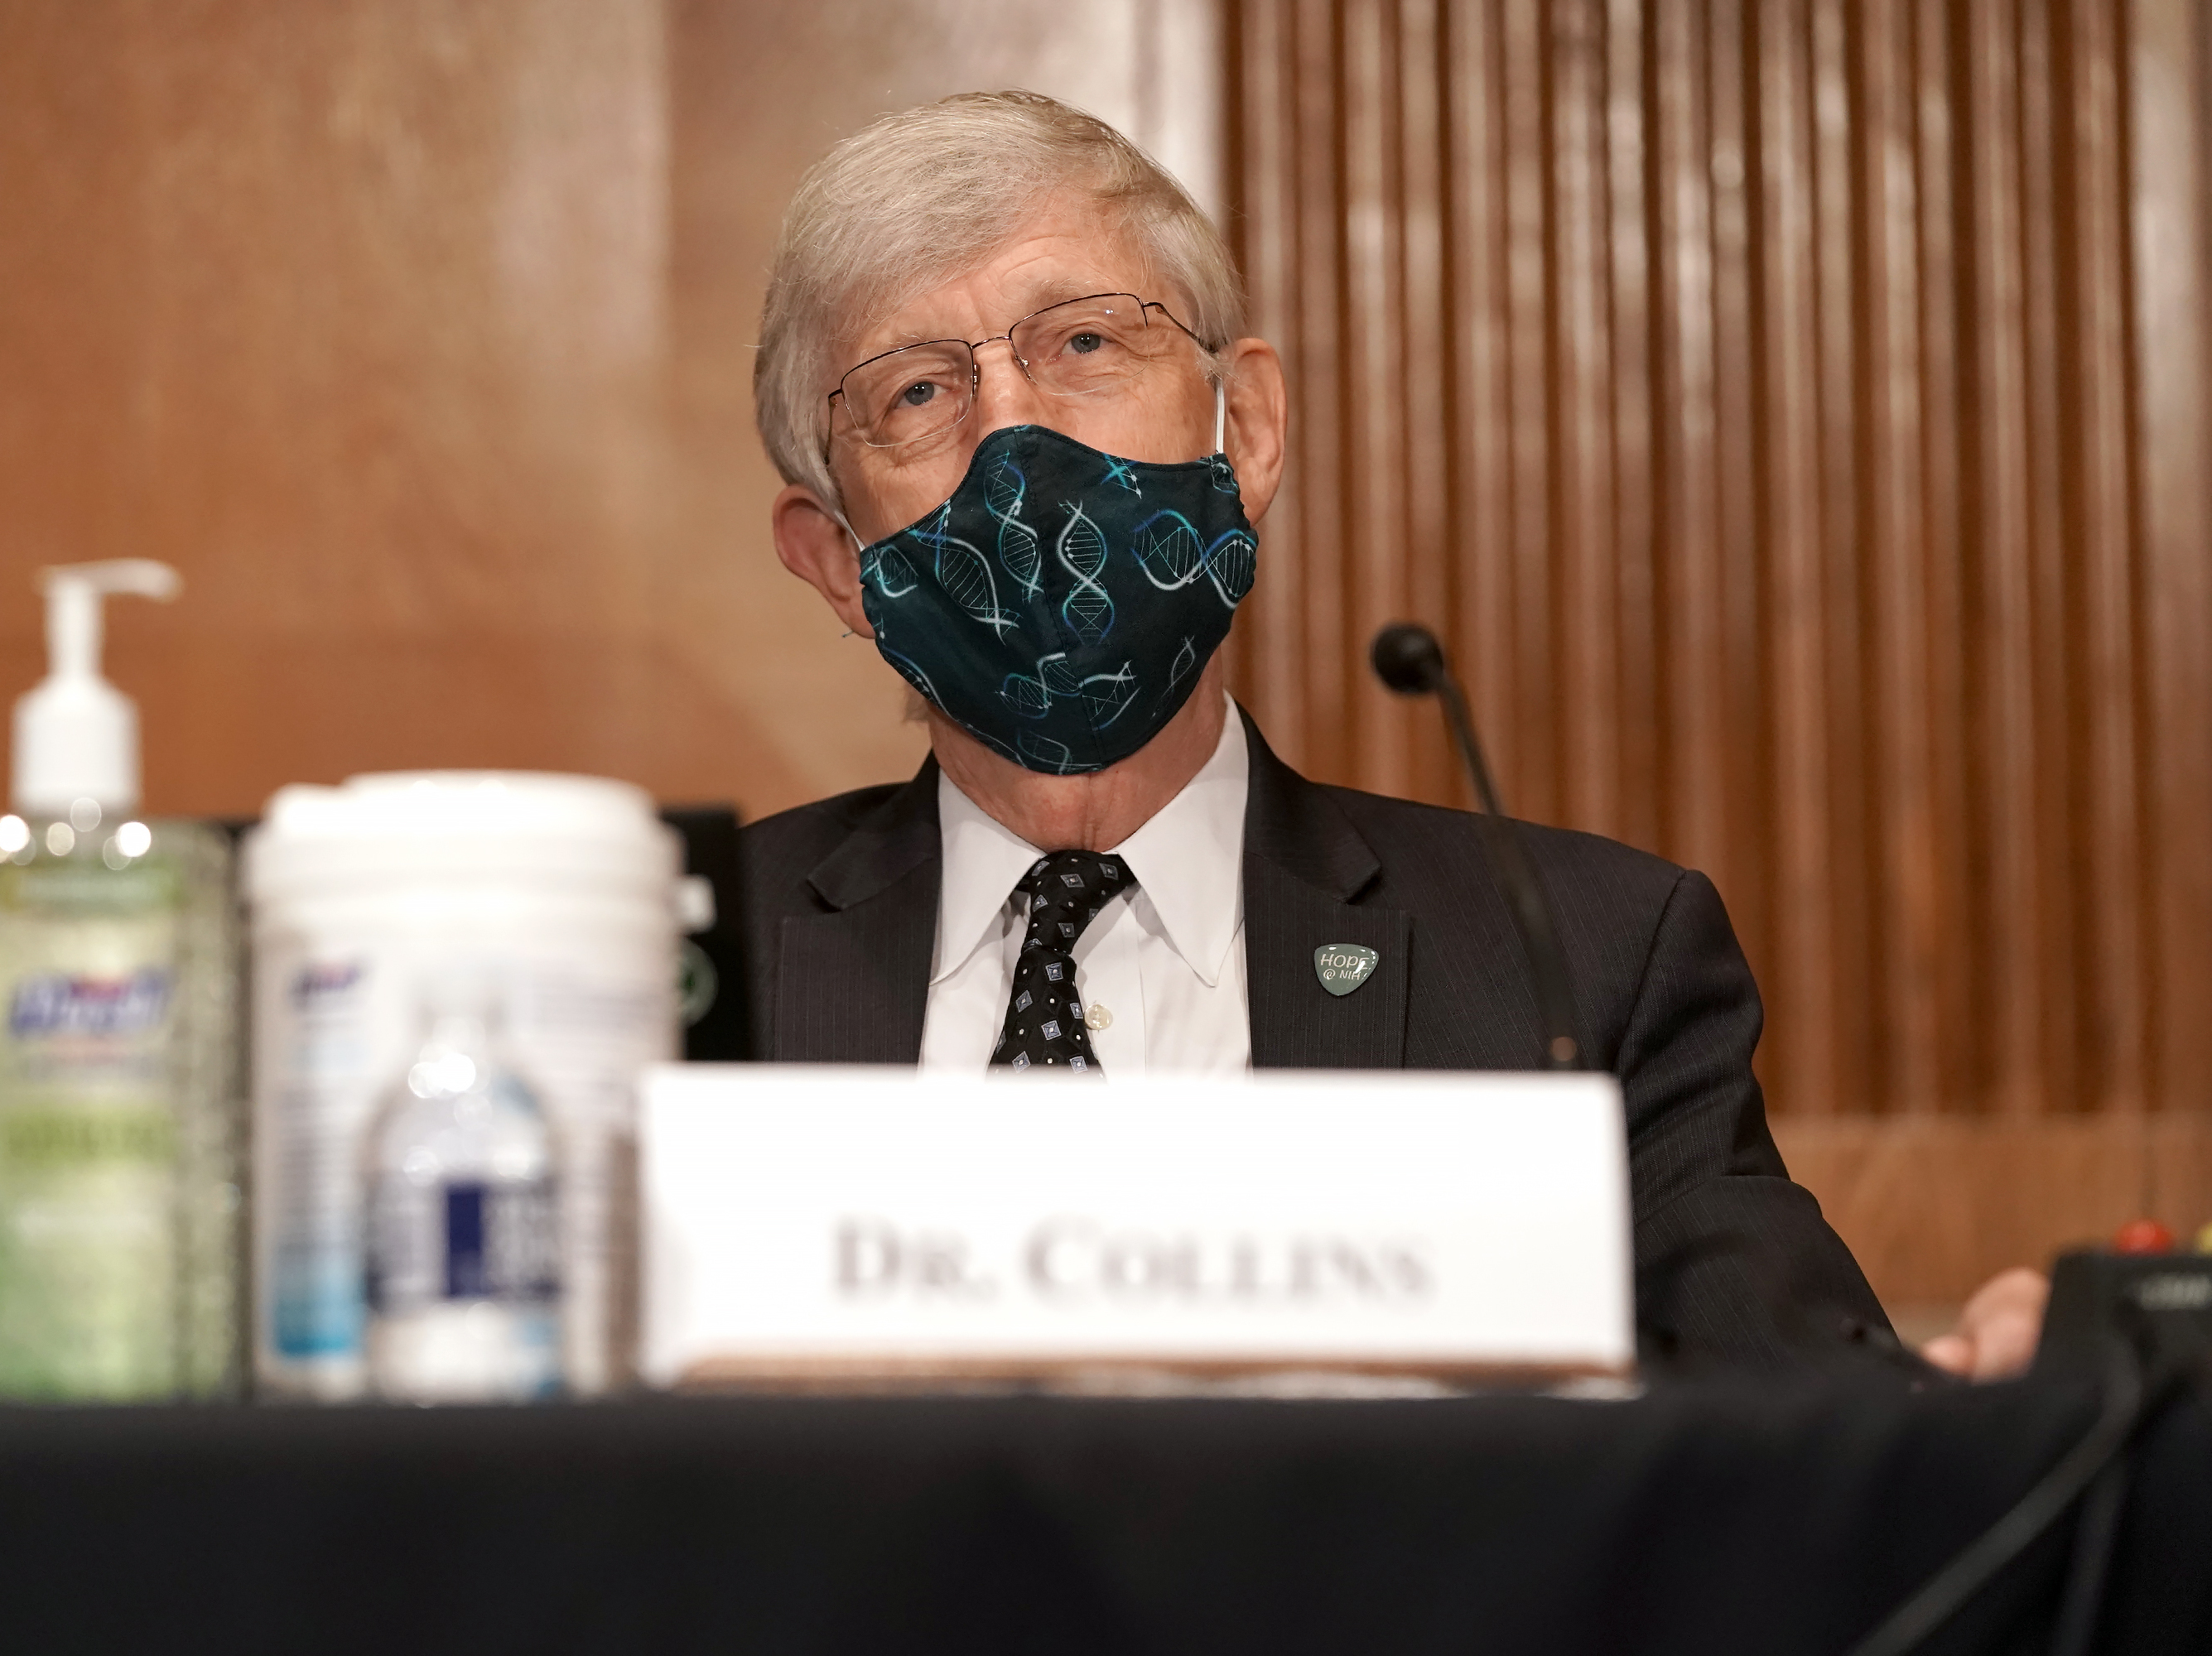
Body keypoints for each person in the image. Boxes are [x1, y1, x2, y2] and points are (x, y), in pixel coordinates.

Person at [740, 89, 2044, 1377]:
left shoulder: (1576, 968)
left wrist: (1981, 1409)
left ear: (1244, 432)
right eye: (915, 393)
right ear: (839, 566)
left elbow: (1810, 1427)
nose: (1013, 435)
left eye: (1082, 344)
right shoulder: (687, 982)